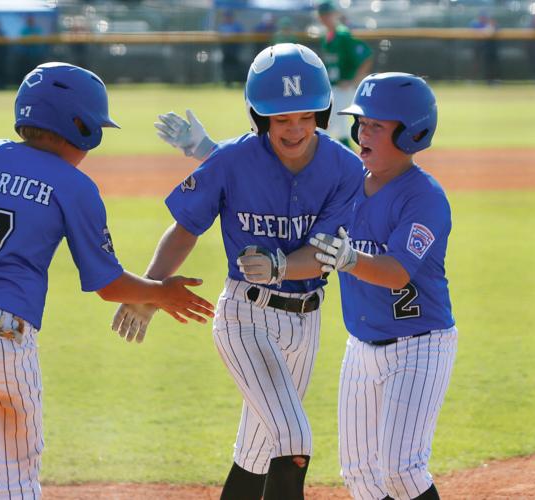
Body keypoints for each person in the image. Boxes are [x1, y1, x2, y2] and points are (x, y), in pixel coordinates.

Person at [0, 62, 214, 499]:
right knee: (13, 481)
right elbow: (107, 284)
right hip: (5, 332)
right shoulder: (74, 184)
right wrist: (159, 293)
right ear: (81, 127)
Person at [112, 43, 363, 499]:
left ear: (323, 115)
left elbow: (325, 252)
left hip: (307, 322)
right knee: (293, 439)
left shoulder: (345, 168)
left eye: (306, 116)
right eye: (281, 119)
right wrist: (149, 292)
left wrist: (281, 265)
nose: (295, 128)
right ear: (258, 116)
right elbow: (185, 229)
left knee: (256, 449)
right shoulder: (229, 161)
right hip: (245, 318)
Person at [309, 73, 456, 500]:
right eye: (362, 122)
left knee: (401, 471)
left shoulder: (424, 197)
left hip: (420, 345)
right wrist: (206, 151)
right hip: (361, 346)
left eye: (377, 124)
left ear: (411, 133)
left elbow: (396, 272)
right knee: (359, 475)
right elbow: (288, 171)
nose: (362, 132)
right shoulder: (347, 180)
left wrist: (349, 259)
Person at [317, 1, 372, 147]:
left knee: (329, 124)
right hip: (333, 89)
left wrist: (353, 82)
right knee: (336, 126)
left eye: (328, 14)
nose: (326, 18)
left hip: (344, 88)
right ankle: (350, 163)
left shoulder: (343, 35)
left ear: (335, 14)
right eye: (323, 15)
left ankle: (349, 164)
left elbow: (366, 56)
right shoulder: (327, 37)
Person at [469, 11, 499, 83]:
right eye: (482, 17)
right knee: (476, 63)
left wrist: (492, 26)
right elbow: (473, 28)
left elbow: (497, 27)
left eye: (485, 17)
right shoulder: (475, 23)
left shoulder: (491, 24)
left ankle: (491, 80)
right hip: (478, 46)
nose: (483, 18)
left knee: (490, 64)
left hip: (489, 47)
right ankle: (472, 80)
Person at [218, 10, 246, 86]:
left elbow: (242, 36)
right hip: (225, 49)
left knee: (236, 66)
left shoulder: (237, 26)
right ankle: (227, 82)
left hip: (234, 49)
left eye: (228, 17)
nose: (226, 18)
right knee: (226, 66)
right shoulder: (222, 26)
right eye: (225, 17)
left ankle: (241, 82)